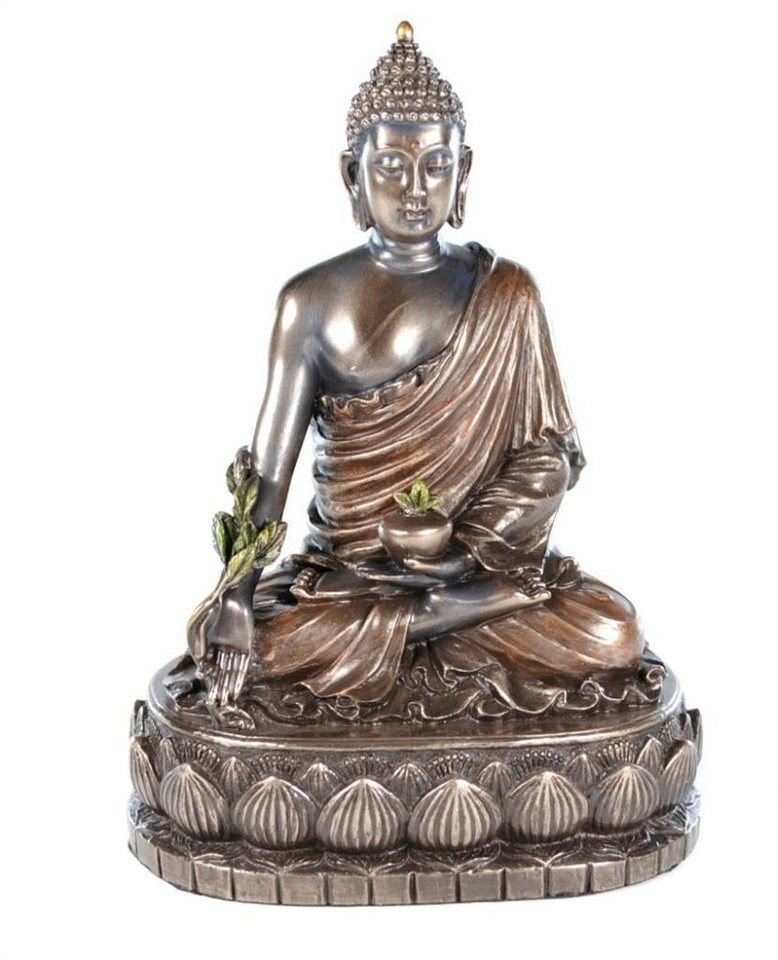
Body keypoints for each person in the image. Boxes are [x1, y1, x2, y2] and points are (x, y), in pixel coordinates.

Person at [191, 24, 644, 721]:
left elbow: (546, 456)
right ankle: (448, 617)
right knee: (240, 643)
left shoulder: (507, 294)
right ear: (353, 175)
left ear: (465, 172)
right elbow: (268, 476)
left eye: (436, 165)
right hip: (349, 581)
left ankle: (445, 611)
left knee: (613, 631)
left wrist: (468, 550)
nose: (414, 190)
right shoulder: (310, 303)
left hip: (473, 567)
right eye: (391, 167)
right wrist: (236, 593)